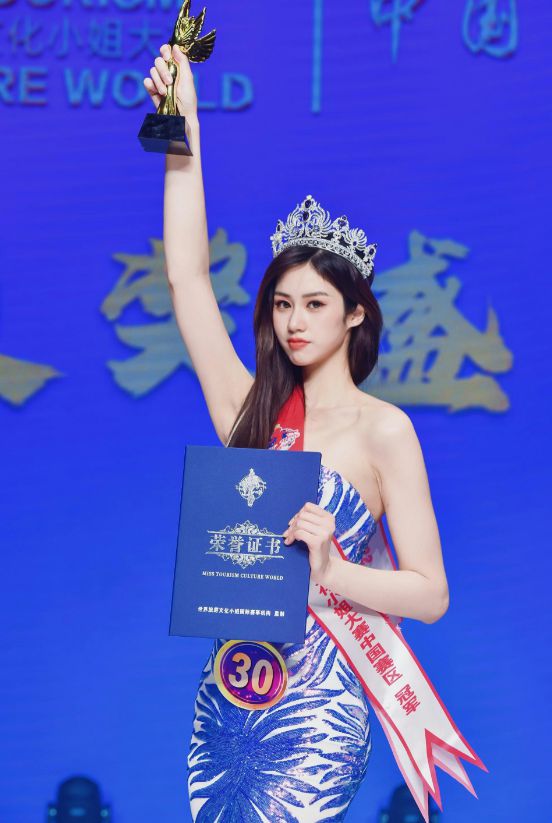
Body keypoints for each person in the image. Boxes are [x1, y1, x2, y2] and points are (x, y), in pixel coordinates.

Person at [144, 43, 450, 822]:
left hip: (319, 709)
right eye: (282, 304)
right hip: (232, 691)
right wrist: (184, 129)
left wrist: (334, 569)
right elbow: (185, 277)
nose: (294, 321)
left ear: (355, 313)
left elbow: (430, 593)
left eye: (315, 304)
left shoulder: (385, 431)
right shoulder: (249, 411)